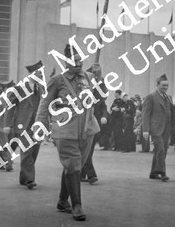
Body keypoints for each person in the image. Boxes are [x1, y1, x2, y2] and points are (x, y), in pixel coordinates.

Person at [35, 45, 100, 221]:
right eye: (75, 61)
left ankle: (63, 200)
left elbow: (99, 96)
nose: (78, 63)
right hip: (65, 130)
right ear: (66, 62)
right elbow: (45, 103)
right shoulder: (57, 80)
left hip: (88, 129)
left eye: (81, 60)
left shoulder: (89, 77)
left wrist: (99, 77)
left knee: (74, 166)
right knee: (74, 165)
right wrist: (40, 124)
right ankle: (77, 205)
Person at [4, 61, 44, 189]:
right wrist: (7, 124)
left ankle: (24, 177)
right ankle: (29, 180)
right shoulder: (19, 88)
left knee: (34, 152)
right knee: (27, 151)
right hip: (23, 125)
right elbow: (10, 107)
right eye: (39, 73)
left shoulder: (40, 88)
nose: (41, 75)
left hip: (37, 127)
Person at [142, 74, 175, 182]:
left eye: (167, 86)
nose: (165, 87)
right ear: (157, 85)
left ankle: (153, 173)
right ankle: (162, 172)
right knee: (160, 149)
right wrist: (145, 130)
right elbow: (145, 114)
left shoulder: (168, 97)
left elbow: (174, 113)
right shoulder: (151, 97)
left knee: (162, 150)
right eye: (163, 85)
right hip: (156, 128)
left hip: (167, 128)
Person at [81, 63, 109, 184]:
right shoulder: (83, 83)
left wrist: (104, 115)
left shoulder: (98, 86)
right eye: (96, 74)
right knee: (86, 148)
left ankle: (81, 173)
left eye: (99, 74)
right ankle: (91, 174)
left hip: (94, 120)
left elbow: (103, 103)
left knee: (89, 149)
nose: (98, 76)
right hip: (82, 119)